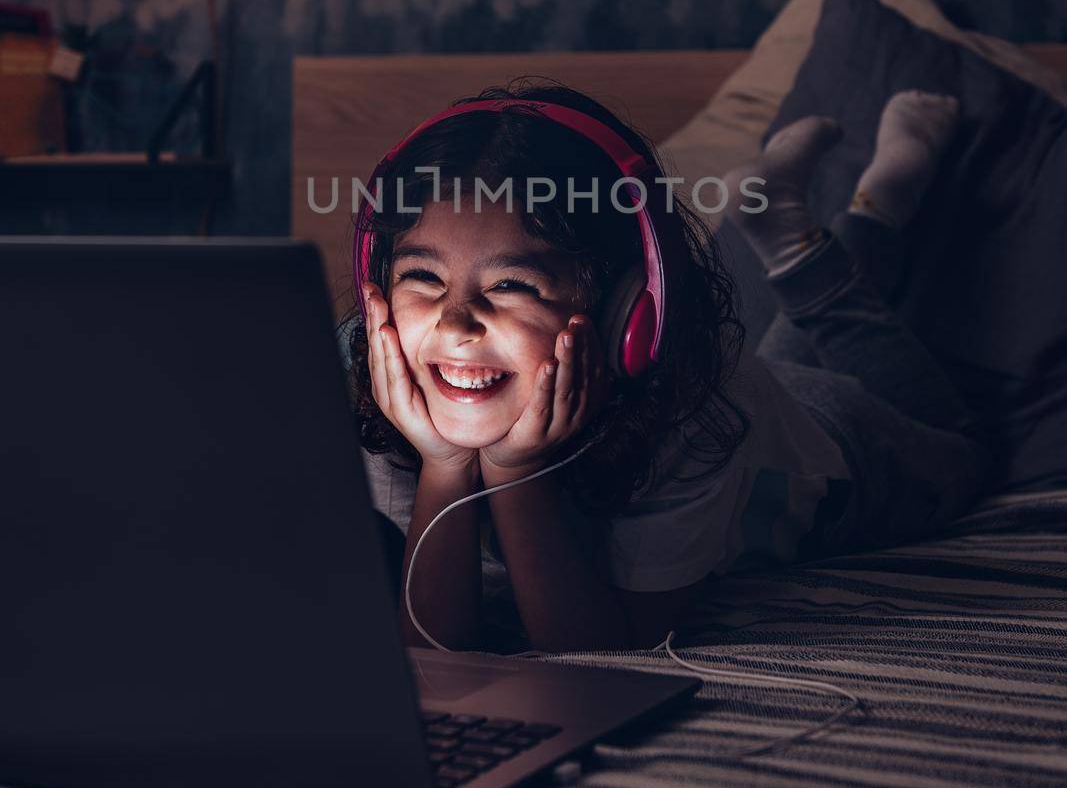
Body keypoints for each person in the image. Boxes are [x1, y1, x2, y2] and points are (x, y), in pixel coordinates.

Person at [341, 81, 993, 654]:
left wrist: (513, 467)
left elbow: (600, 652)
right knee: (785, 349)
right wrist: (444, 463)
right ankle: (798, 230)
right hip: (769, 391)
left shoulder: (702, 414)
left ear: (630, 313)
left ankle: (879, 203)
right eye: (422, 275)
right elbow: (436, 653)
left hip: (841, 446)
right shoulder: (397, 386)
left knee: (964, 441)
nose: (453, 325)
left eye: (513, 284)